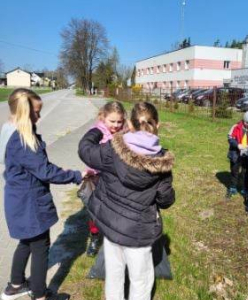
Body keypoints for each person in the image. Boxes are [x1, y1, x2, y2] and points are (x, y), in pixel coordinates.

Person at [78, 102, 175, 300]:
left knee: (114, 275)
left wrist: (98, 130)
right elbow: (165, 200)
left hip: (112, 226)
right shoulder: (162, 161)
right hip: (139, 232)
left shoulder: (111, 149)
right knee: (141, 281)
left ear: (129, 124)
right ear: (158, 124)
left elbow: (85, 150)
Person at [0, 88, 85, 300]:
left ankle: (16, 285)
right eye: (36, 112)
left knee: (26, 242)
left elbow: (22, 167)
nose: (39, 116)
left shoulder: (8, 130)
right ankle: (40, 295)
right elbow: (45, 171)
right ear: (23, 113)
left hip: (18, 199)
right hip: (30, 204)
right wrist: (76, 175)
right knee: (40, 246)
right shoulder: (23, 139)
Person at [85, 101, 126, 257]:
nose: (116, 125)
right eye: (112, 121)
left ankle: (115, 239)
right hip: (97, 177)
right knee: (95, 211)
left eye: (119, 121)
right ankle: (95, 238)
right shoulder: (96, 132)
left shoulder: (125, 132)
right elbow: (89, 154)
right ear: (103, 117)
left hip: (117, 179)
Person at [226, 110, 248, 198]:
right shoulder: (236, 126)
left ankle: (245, 188)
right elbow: (230, 138)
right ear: (243, 119)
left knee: (246, 172)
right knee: (234, 171)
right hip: (235, 153)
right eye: (246, 122)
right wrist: (237, 145)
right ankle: (232, 187)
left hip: (247, 153)